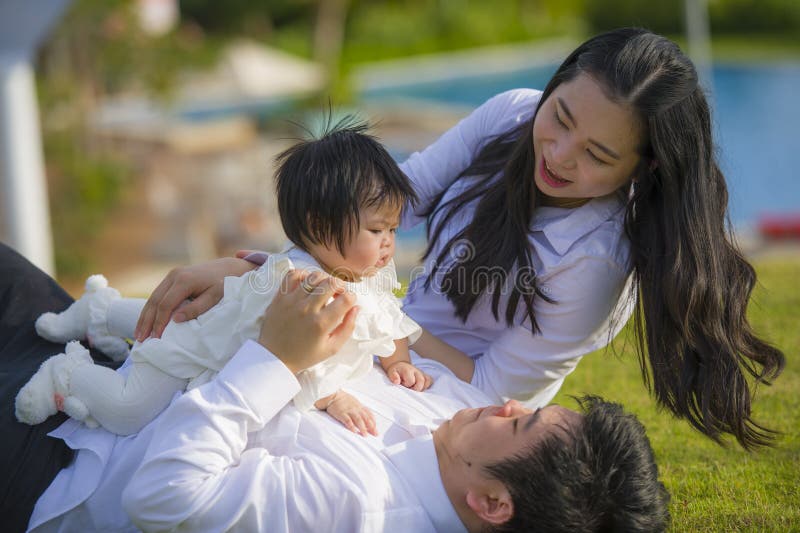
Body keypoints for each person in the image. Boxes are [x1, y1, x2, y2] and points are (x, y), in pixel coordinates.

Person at [136, 27, 785, 450]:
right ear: (554, 86)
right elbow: (397, 199)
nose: (557, 154)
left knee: (235, 418)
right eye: (558, 117)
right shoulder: (511, 113)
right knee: (191, 338)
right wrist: (259, 269)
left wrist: (363, 322)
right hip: (378, 337)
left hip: (447, 405)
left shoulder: (597, 260)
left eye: (595, 154)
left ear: (640, 168)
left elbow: (495, 381)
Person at [0, 243, 670, 532]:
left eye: (519, 422)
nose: (508, 400)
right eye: (533, 407)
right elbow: (364, 315)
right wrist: (248, 270)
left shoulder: (359, 511)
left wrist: (275, 358)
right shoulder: (458, 420)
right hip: (121, 347)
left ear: (492, 503)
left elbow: (162, 493)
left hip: (58, 454)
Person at [15, 120, 445, 437]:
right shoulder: (306, 286)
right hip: (202, 352)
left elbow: (387, 320)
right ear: (317, 224)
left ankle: (101, 309)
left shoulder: (366, 271)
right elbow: (298, 360)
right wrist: (332, 397)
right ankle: (65, 375)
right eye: (376, 230)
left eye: (391, 229)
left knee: (168, 319)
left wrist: (398, 361)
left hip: (206, 324)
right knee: (131, 407)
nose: (389, 243)